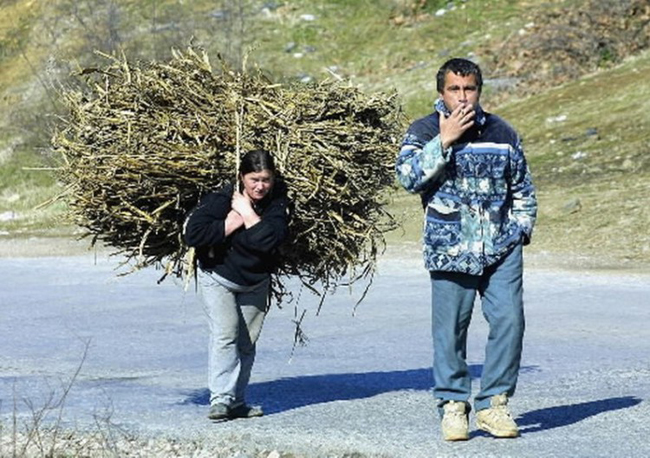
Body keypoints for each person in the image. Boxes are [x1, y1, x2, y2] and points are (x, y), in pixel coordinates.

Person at [395, 58, 537, 441]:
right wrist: (443, 140)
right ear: (441, 92)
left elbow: (522, 187)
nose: (462, 97)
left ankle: (494, 405)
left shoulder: (502, 132)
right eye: (454, 89)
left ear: (479, 90)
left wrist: (521, 228)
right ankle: (454, 406)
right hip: (450, 248)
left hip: (501, 247)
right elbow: (407, 178)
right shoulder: (423, 130)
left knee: (510, 322)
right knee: (450, 333)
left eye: (469, 88)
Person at [184, 149, 290, 421]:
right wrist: (229, 224)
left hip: (255, 282)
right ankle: (220, 400)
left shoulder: (278, 202)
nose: (260, 186)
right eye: (254, 179)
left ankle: (237, 402)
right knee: (226, 334)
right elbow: (192, 234)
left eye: (266, 179)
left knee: (246, 343)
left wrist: (247, 213)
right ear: (242, 177)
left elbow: (271, 241)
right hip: (218, 278)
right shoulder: (223, 198)